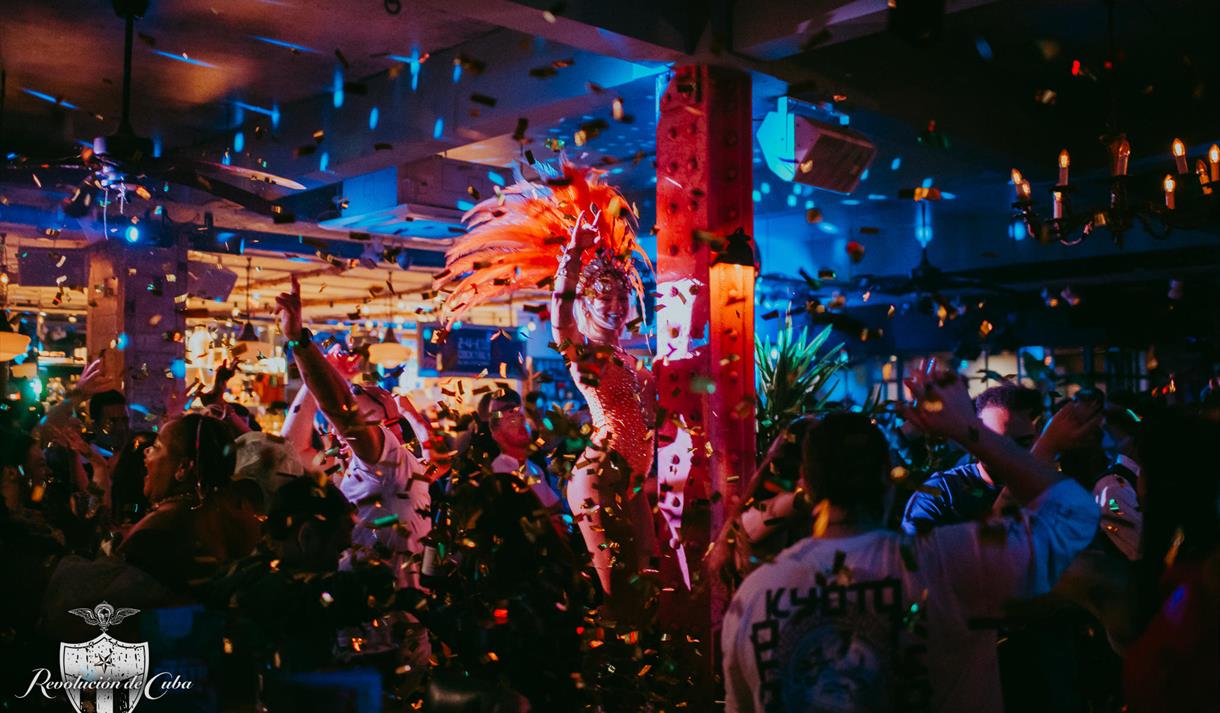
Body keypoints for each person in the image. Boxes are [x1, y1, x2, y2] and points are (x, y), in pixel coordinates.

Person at [722, 364, 1100, 713]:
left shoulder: (754, 596)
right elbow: (1075, 512)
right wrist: (977, 432)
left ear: (807, 488)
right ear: (889, 482)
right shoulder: (943, 563)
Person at [436, 162, 657, 608]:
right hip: (601, 476)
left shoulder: (628, 359)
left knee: (649, 580)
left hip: (634, 480)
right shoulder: (584, 353)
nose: (614, 305)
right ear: (587, 305)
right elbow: (560, 320)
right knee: (618, 595)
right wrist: (572, 259)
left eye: (620, 297)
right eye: (603, 298)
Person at [275, 277, 432, 589]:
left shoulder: (393, 463)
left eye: (363, 403)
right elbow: (288, 450)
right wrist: (313, 385)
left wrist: (301, 344)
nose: (337, 429)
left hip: (390, 629)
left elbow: (342, 411)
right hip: (350, 625)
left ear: (390, 420)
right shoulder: (347, 469)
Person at [117, 412, 260, 594]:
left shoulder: (158, 530)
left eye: (157, 446)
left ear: (183, 468)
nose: (146, 452)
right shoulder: (229, 511)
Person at [900, 382, 1043, 534]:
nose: (1010, 452)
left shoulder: (1050, 490)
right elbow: (913, 551)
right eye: (998, 441)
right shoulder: (943, 492)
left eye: (1023, 443)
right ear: (975, 438)